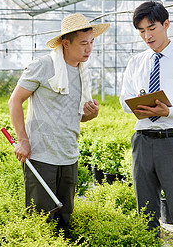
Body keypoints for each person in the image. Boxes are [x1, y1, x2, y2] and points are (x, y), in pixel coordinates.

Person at [8, 13, 109, 236]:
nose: (89, 48)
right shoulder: (43, 66)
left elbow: (75, 115)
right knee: (40, 222)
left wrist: (89, 116)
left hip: (68, 155)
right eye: (83, 43)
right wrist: (22, 140)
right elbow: (14, 101)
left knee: (65, 221)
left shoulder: (83, 72)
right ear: (66, 43)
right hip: (42, 156)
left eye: (91, 42)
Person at [119, 1, 173, 246]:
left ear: (166, 24)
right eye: (141, 31)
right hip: (142, 142)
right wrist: (141, 106)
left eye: (152, 28)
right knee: (145, 212)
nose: (147, 36)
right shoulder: (135, 62)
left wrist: (169, 111)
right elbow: (124, 100)